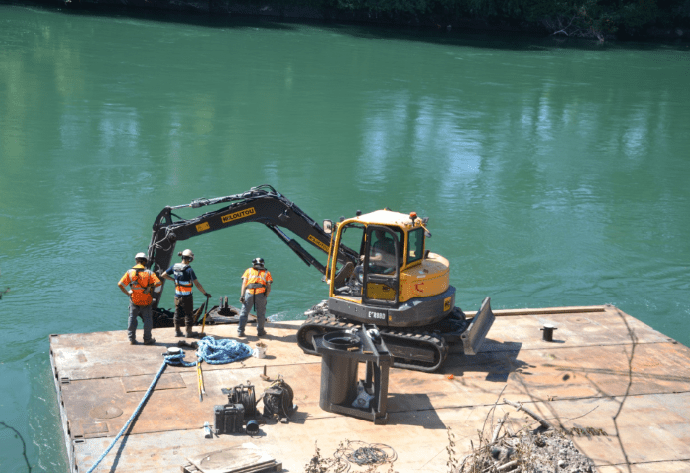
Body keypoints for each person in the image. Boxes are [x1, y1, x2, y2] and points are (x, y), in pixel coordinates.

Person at [160, 249, 211, 338]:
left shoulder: (174, 267)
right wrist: (205, 293)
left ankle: (177, 331)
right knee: (188, 314)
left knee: (177, 313)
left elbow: (163, 275)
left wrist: (174, 280)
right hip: (187, 297)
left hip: (177, 296)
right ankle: (189, 333)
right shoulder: (189, 270)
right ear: (190, 259)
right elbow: (197, 284)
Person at [118, 252, 162, 345]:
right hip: (146, 301)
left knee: (132, 319)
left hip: (134, 300)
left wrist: (128, 293)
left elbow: (120, 284)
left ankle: (132, 339)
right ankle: (147, 339)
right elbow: (158, 284)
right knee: (147, 320)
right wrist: (155, 293)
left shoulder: (130, 272)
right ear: (145, 261)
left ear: (136, 260)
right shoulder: (149, 273)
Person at [237, 257, 273, 337]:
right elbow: (269, 286)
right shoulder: (267, 272)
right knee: (261, 314)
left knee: (244, 313)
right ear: (263, 264)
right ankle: (260, 331)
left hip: (249, 293)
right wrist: (266, 296)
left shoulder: (248, 271)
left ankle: (240, 331)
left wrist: (242, 295)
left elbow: (244, 284)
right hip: (261, 294)